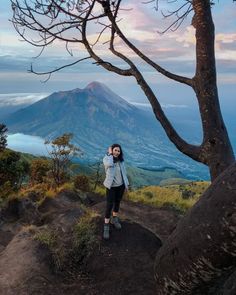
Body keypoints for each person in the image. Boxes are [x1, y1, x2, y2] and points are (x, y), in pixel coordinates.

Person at [103, 144, 129, 240]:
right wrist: (110, 154)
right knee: (109, 205)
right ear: (112, 150)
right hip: (111, 187)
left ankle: (114, 219)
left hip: (120, 186)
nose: (117, 152)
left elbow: (124, 174)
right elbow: (109, 164)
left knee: (117, 203)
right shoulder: (107, 159)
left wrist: (126, 185)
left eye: (118, 151)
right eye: (115, 150)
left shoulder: (121, 161)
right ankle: (106, 226)